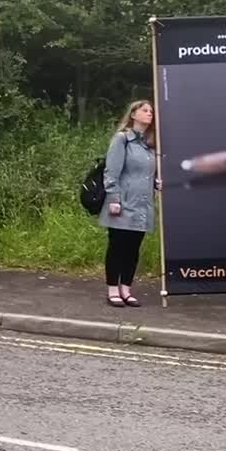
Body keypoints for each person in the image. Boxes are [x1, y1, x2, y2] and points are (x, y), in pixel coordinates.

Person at [99, 100, 159, 307]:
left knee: (133, 248)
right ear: (133, 114)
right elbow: (111, 172)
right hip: (123, 203)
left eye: (151, 111)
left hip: (143, 206)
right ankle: (112, 289)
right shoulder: (122, 139)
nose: (149, 114)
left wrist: (156, 182)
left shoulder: (150, 145)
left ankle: (126, 288)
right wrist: (114, 199)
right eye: (145, 110)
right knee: (118, 247)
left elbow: (146, 174)